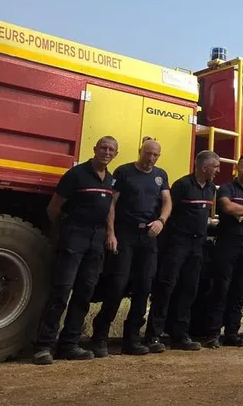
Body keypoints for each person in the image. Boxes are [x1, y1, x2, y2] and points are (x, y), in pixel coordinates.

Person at [33, 136, 118, 365]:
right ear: (95, 149)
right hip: (75, 235)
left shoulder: (110, 179)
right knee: (62, 290)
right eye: (103, 148)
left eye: (111, 150)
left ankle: (69, 345)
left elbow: (110, 207)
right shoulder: (76, 174)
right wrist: (65, 232)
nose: (106, 152)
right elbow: (53, 209)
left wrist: (110, 233)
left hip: (97, 239)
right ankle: (43, 346)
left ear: (115, 154)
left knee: (84, 292)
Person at [91, 138, 172, 356]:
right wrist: (111, 233)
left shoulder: (161, 175)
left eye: (155, 155)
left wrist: (161, 221)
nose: (151, 158)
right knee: (117, 285)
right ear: (140, 151)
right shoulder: (124, 172)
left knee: (144, 287)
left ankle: (132, 339)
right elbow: (112, 203)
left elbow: (167, 201)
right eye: (148, 153)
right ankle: (100, 337)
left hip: (148, 237)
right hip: (125, 235)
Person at [144, 150, 219, 352]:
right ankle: (153, 335)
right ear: (204, 167)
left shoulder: (211, 188)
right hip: (178, 244)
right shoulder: (182, 185)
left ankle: (180, 334)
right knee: (166, 287)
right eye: (215, 167)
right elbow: (167, 210)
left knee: (189, 289)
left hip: (197, 246)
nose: (218, 171)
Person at [205, 154, 243, 348]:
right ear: (237, 169)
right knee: (221, 288)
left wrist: (241, 216)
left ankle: (232, 333)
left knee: (239, 290)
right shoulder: (226, 188)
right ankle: (213, 334)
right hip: (227, 243)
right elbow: (227, 206)